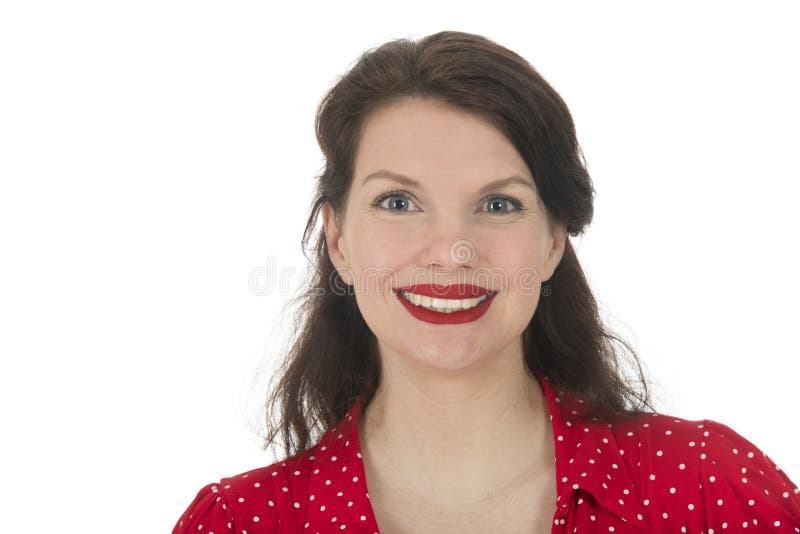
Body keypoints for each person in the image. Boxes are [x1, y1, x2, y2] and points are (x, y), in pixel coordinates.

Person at [172, 30, 800, 533]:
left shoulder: (706, 489)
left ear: (554, 240)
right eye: (397, 202)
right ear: (337, 240)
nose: (452, 251)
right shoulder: (237, 524)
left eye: (498, 205)